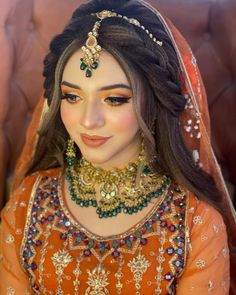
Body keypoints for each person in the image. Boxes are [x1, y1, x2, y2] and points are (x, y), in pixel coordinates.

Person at [0, 0, 235, 294]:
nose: (88, 121)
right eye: (72, 97)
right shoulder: (27, 205)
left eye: (114, 99)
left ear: (154, 102)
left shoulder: (194, 222)